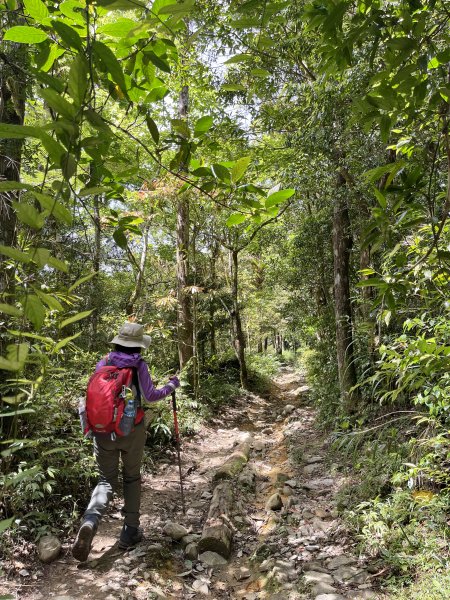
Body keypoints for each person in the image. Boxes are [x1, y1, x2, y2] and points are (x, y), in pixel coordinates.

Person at [72, 322, 180, 562]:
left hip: (102, 432)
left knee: (105, 480)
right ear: (138, 346)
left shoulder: (104, 363)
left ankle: (90, 521)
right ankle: (130, 531)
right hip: (131, 432)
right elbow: (151, 396)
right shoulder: (138, 365)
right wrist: (172, 385)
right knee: (131, 477)